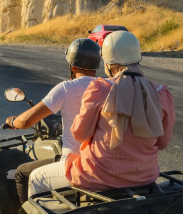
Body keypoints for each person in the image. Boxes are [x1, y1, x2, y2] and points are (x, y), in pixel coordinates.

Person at [65, 30, 175, 191]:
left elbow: (80, 134)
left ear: (108, 62)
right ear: (137, 58)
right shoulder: (162, 94)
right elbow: (163, 143)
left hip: (96, 177)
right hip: (144, 178)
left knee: (36, 178)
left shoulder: (99, 89)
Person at [4, 38, 101, 203]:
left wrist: (13, 122)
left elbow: (26, 121)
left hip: (75, 165)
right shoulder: (107, 86)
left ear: (72, 66)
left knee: (22, 173)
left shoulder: (66, 88)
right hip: (102, 163)